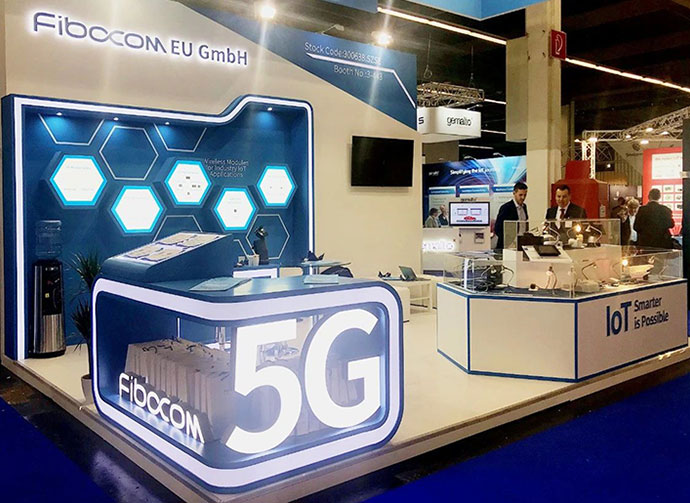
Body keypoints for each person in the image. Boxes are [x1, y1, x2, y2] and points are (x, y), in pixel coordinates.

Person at [494, 182, 528, 249]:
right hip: (508, 244)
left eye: (525, 195)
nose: (523, 197)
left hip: (521, 243)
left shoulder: (524, 207)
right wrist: (507, 240)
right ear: (514, 193)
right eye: (520, 195)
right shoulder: (506, 207)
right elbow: (498, 228)